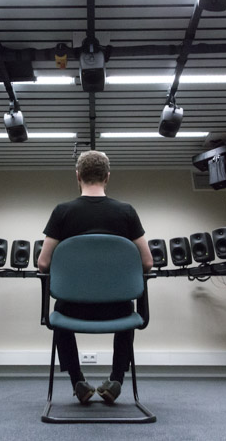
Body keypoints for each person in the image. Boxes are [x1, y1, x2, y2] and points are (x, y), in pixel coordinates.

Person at [38, 150, 153, 405]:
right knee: (128, 305)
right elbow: (147, 262)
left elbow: (43, 262)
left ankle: (78, 381)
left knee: (58, 310)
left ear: (77, 176)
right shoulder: (126, 212)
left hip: (72, 312)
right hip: (118, 312)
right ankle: (116, 381)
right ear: (107, 177)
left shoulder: (62, 212)